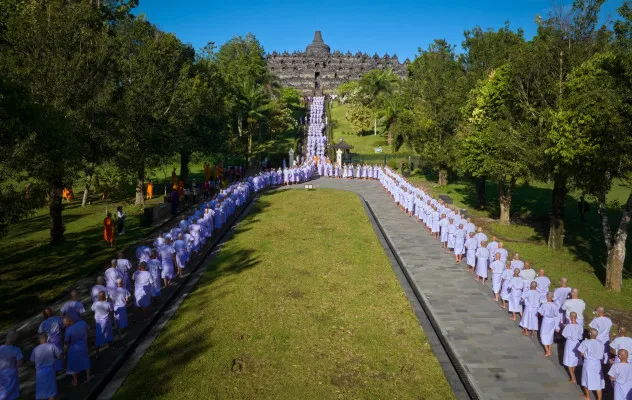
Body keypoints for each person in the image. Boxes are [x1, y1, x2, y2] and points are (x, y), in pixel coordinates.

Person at [31, 332, 62, 400]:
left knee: (41, 391)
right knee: (51, 391)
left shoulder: (35, 349)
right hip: (50, 370)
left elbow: (32, 361)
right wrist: (54, 359)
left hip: (39, 372)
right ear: (47, 338)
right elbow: (59, 356)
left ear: (39, 339)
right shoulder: (52, 346)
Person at [63, 316, 92, 386]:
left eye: (64, 323)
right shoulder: (82, 323)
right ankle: (88, 376)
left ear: (69, 321)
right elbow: (89, 330)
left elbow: (66, 343)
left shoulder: (68, 330)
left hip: (73, 348)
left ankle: (76, 381)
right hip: (83, 346)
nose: (64, 325)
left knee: (72, 364)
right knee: (85, 360)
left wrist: (64, 353)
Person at [579, 328, 605, 400]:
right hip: (597, 363)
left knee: (586, 379)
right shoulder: (601, 343)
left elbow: (581, 353)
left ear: (590, 334)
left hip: (589, 363)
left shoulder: (586, 342)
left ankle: (588, 397)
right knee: (598, 382)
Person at [37, 307, 64, 371]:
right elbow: (63, 326)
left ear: (44, 315)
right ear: (52, 312)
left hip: (48, 341)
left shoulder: (43, 323)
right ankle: (60, 367)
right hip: (58, 338)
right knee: (59, 353)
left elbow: (40, 333)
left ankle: (54, 368)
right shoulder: (58, 319)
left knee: (51, 354)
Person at [0, 330, 23, 400]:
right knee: (12, 395)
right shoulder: (16, 350)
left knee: (2, 393)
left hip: (1, 374)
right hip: (12, 375)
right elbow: (20, 363)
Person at [562, 312, 584, 383]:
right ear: (576, 317)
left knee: (569, 361)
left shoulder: (568, 326)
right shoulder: (580, 326)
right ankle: (572, 376)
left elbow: (564, 335)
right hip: (577, 343)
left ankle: (573, 377)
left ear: (571, 318)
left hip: (569, 343)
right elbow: (581, 336)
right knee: (574, 360)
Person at [539, 293, 560, 357]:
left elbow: (541, 314)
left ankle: (547, 351)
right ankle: (549, 349)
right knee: (550, 334)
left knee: (543, 335)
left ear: (547, 297)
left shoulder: (544, 304)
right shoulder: (555, 305)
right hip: (552, 321)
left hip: (546, 321)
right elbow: (557, 315)